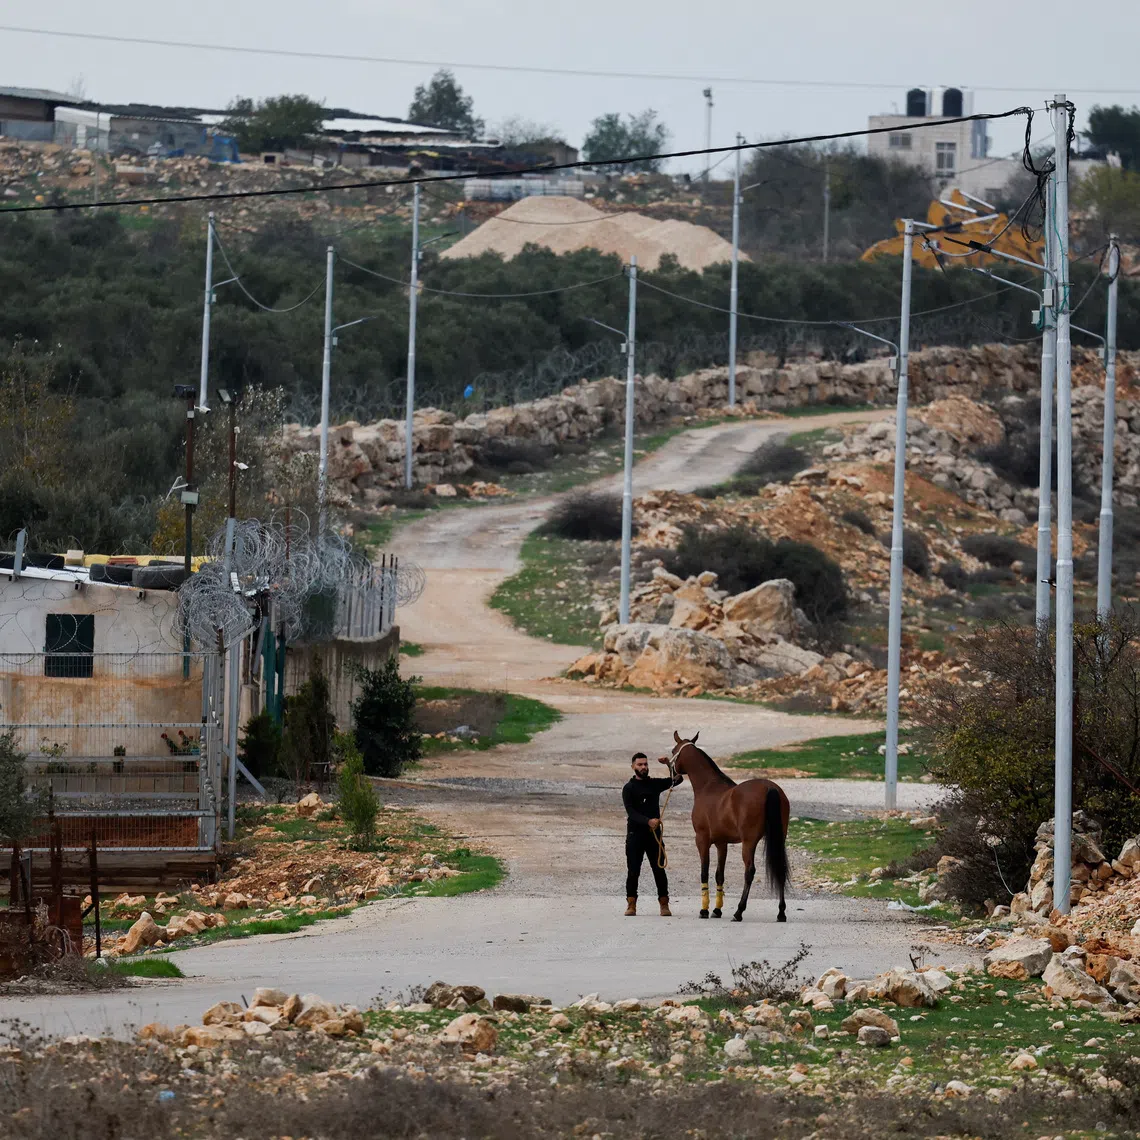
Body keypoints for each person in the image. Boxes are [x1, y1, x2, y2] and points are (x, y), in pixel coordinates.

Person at [622, 752, 682, 917]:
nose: (643, 767)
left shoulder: (654, 784)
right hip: (635, 834)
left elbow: (677, 779)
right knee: (633, 870)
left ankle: (664, 904)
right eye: (640, 765)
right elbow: (631, 812)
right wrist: (648, 821)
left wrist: (668, 765)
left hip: (654, 835)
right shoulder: (629, 788)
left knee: (659, 869)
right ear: (633, 767)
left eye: (645, 764)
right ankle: (631, 904)